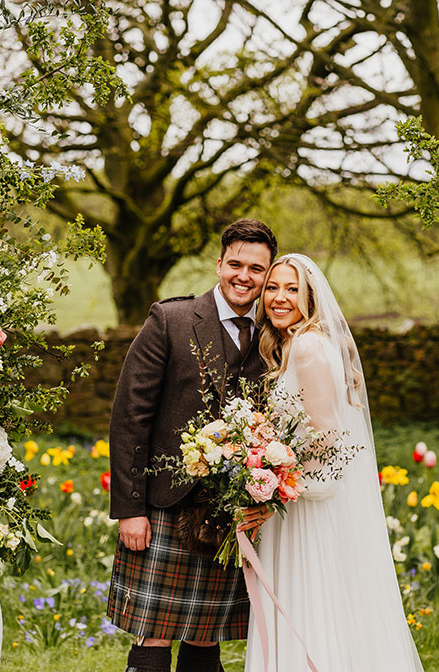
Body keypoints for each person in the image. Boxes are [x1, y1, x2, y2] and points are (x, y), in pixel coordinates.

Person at [106, 219, 278, 672]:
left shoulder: (274, 334)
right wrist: (130, 508)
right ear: (219, 264)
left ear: (268, 274)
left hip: (230, 511)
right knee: (155, 634)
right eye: (236, 264)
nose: (244, 276)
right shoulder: (171, 319)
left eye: (256, 269)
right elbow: (130, 417)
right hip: (164, 504)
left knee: (206, 638)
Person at [244, 253, 424, 672]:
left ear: (309, 297)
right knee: (320, 603)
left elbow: (327, 434)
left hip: (307, 505)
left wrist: (274, 473)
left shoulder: (307, 346)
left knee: (309, 602)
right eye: (272, 288)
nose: (279, 298)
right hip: (299, 498)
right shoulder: (296, 344)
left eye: (291, 289)